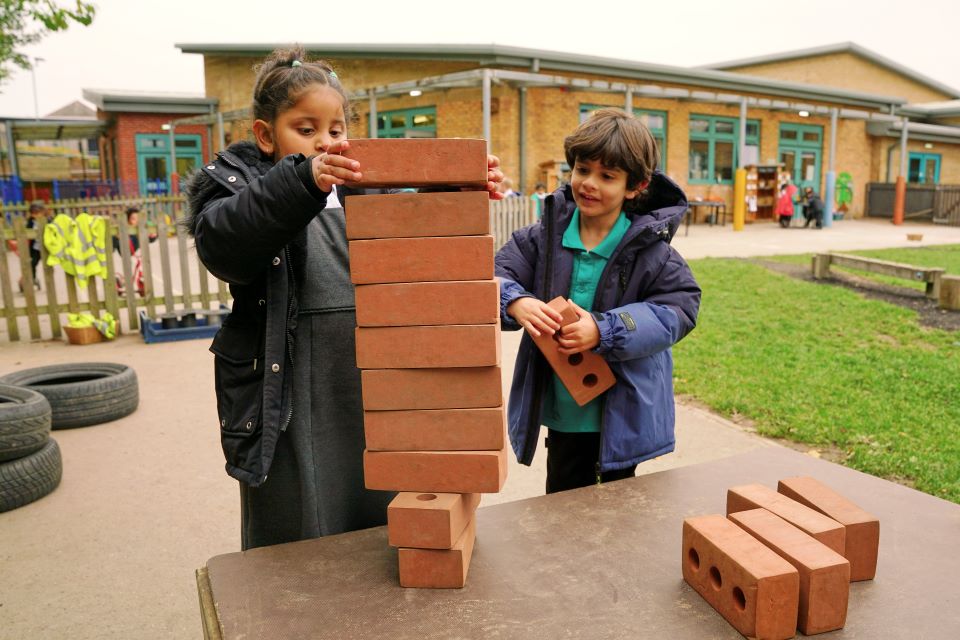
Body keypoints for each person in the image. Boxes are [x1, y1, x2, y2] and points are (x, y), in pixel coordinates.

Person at [184, 46, 503, 550]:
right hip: (291, 384)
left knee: (379, 496)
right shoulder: (239, 188)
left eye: (335, 130)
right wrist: (300, 182)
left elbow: (411, 230)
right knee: (303, 518)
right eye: (305, 130)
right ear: (266, 135)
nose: (324, 144)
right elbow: (226, 242)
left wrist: (455, 187)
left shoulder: (366, 188)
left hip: (370, 373)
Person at [495, 108, 701, 494]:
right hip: (565, 411)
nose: (589, 183)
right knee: (564, 502)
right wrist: (514, 302)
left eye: (607, 176)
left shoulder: (652, 251)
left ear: (635, 186)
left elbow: (679, 309)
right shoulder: (541, 239)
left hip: (623, 412)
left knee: (618, 509)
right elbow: (496, 274)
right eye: (583, 169)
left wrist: (605, 329)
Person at [112, 206, 157, 296]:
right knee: (126, 272)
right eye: (133, 219)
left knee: (138, 270)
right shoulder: (124, 231)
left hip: (134, 253)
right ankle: (120, 282)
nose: (136, 221)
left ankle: (132, 283)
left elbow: (150, 238)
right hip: (124, 253)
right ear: (128, 220)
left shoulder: (141, 231)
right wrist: (117, 237)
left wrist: (154, 235)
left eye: (137, 218)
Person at [21, 201, 49, 291]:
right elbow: (26, 232)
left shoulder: (47, 220)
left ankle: (48, 280)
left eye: (38, 213)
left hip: (46, 247)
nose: (36, 215)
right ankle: (32, 279)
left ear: (43, 212)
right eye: (34, 213)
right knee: (32, 264)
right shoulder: (30, 222)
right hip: (35, 249)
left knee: (48, 265)